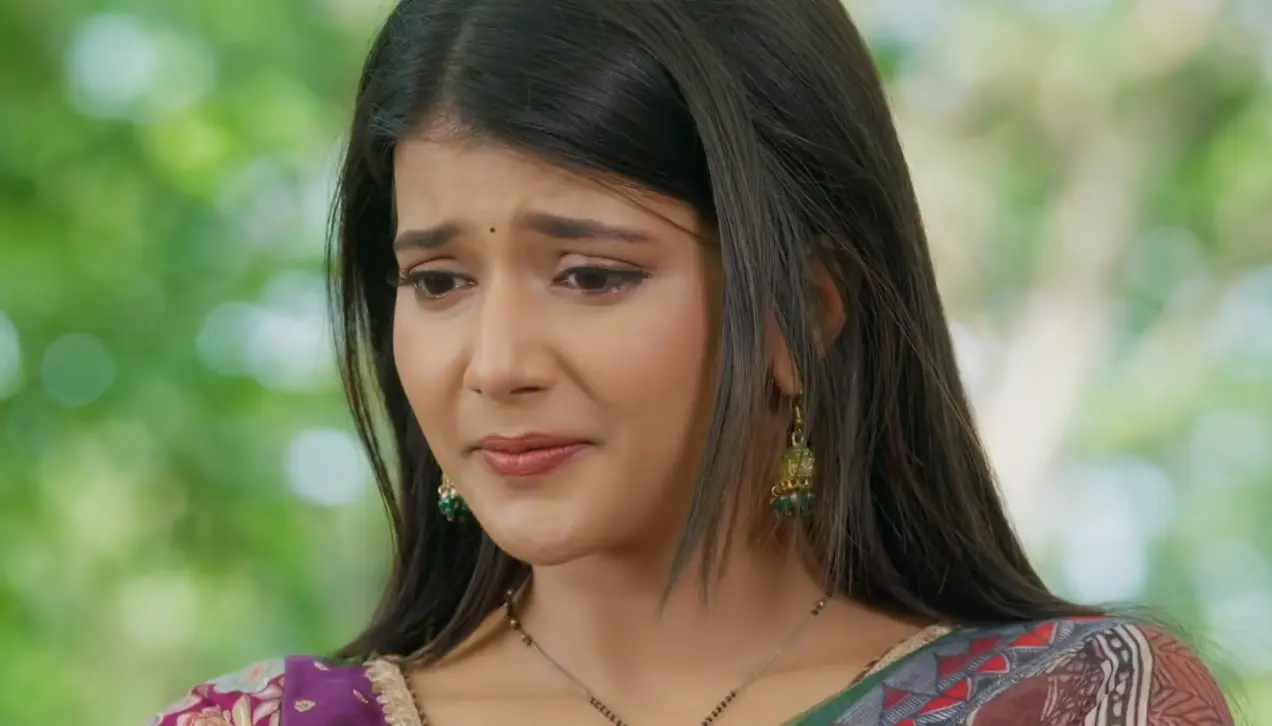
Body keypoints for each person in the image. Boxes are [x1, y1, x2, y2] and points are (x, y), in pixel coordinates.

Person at [151, 0, 1235, 724]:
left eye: (590, 275)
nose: (496, 364)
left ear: (801, 316)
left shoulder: (1073, 705)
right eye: (438, 283)